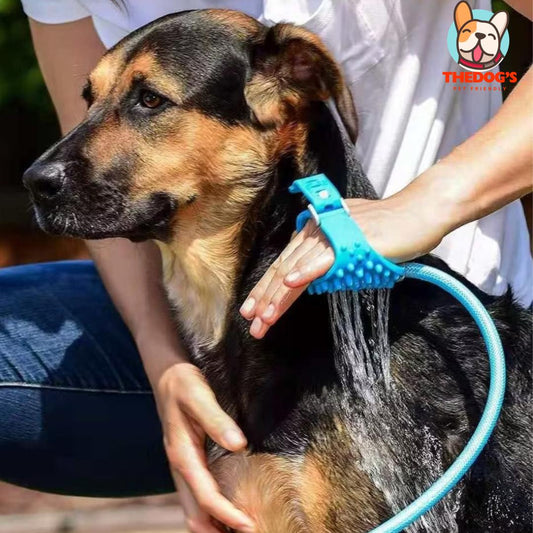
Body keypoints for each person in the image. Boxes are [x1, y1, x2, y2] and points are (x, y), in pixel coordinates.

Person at [0, 1, 530, 532]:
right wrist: (164, 365)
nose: (48, 168)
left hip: (423, 312)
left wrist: (429, 202)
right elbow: (84, 134)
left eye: (149, 100)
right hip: (196, 327)